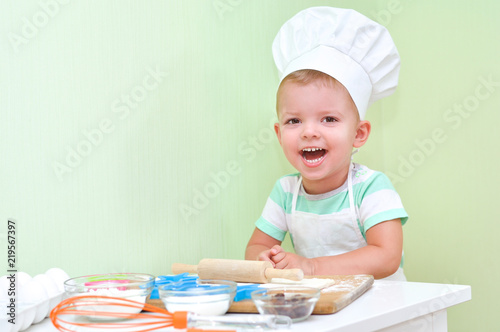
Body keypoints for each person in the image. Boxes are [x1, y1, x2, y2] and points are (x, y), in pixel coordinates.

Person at [245, 7, 408, 281]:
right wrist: (263, 259)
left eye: (329, 119)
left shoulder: (370, 188)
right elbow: (255, 246)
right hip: (326, 309)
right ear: (278, 132)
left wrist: (312, 267)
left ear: (359, 134)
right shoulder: (285, 192)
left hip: (379, 310)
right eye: (294, 121)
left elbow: (387, 256)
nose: (309, 132)